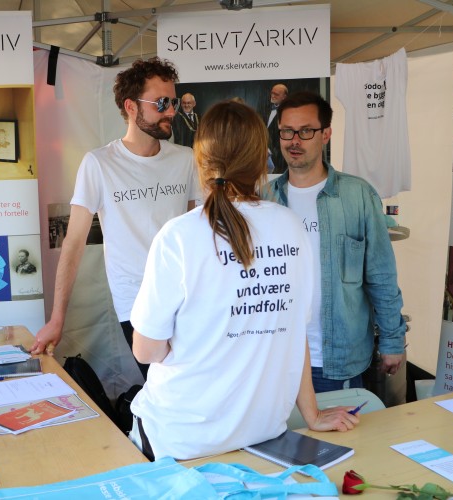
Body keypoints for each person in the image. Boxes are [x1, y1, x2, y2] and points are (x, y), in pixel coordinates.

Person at [128, 101, 358, 461]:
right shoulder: (291, 227)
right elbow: (296, 333)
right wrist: (311, 414)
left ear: (200, 160)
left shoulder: (178, 236)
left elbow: (146, 350)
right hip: (262, 440)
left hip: (179, 441)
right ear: (261, 161)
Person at [31, 58, 199, 380]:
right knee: (164, 385)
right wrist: (57, 320)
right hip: (136, 302)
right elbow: (74, 242)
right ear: (131, 107)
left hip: (187, 297)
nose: (171, 111)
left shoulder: (186, 159)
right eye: (162, 102)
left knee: (191, 389)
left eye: (174, 102)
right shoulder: (99, 163)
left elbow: (199, 230)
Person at [262, 91, 406, 394]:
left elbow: (381, 275)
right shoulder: (265, 199)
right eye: (287, 131)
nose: (294, 141)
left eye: (306, 131)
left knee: (340, 441)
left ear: (326, 134)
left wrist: (393, 340)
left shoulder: (358, 196)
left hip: (337, 359)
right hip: (275, 360)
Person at [265, 83, 288, 174]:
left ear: (284, 97)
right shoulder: (265, 109)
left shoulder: (287, 112)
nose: (273, 96)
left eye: (276, 94)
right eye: (272, 93)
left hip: (278, 157)